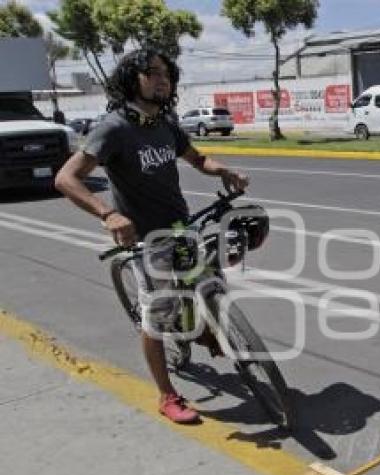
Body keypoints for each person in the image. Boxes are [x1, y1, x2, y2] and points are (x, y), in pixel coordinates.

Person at [55, 48, 249, 424]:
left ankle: (200, 331)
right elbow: (65, 178)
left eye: (168, 74)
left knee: (208, 284)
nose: (164, 80)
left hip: (182, 225)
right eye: (153, 73)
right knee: (157, 316)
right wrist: (108, 214)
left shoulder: (166, 123)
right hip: (146, 237)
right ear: (133, 79)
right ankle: (167, 394)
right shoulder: (113, 128)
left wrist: (222, 170)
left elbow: (197, 159)